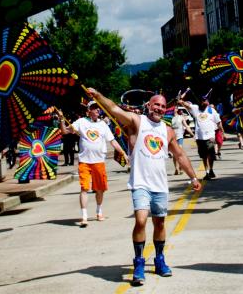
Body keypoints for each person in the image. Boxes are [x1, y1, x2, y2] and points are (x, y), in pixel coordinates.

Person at [85, 87, 202, 287]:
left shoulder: (168, 131)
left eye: (163, 106)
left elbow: (180, 155)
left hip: (160, 185)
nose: (159, 108)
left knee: (160, 224)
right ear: (149, 105)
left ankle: (159, 259)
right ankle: (139, 262)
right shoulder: (137, 122)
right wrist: (98, 96)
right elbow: (114, 109)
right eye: (156, 104)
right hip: (140, 183)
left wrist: (193, 177)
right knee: (140, 220)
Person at [56, 102, 127, 227]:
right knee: (84, 188)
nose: (97, 110)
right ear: (88, 111)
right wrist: (62, 119)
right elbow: (64, 132)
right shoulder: (81, 122)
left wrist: (123, 153)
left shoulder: (103, 125)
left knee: (100, 190)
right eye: (94, 108)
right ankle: (84, 217)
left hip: (99, 162)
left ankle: (99, 211)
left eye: (98, 108)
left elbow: (112, 141)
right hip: (85, 162)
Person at [181, 95, 223, 179]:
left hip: (210, 136)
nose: (204, 102)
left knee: (211, 155)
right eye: (202, 101)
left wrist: (222, 132)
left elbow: (218, 122)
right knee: (204, 156)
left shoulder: (211, 110)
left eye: (205, 101)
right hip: (199, 137)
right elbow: (186, 105)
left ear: (207, 102)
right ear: (200, 102)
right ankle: (207, 172)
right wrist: (180, 101)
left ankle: (211, 169)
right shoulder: (196, 108)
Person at [170, 107, 194, 174]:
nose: (173, 109)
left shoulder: (181, 117)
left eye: (175, 108)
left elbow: (186, 126)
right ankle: (176, 168)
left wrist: (192, 134)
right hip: (172, 138)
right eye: (172, 108)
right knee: (174, 153)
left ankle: (180, 167)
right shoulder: (169, 118)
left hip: (179, 137)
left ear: (177, 109)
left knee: (179, 152)